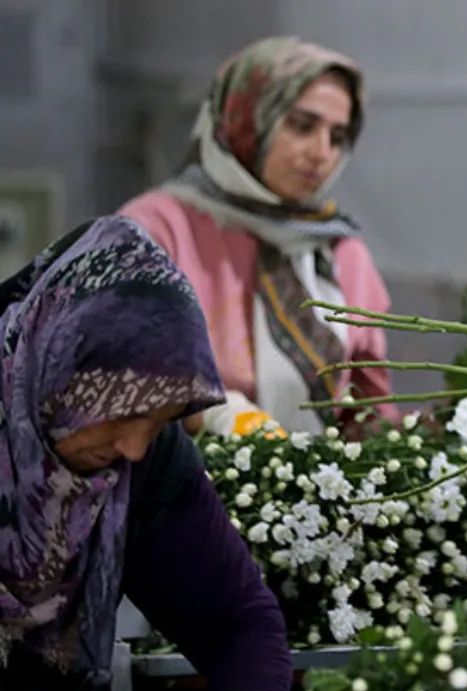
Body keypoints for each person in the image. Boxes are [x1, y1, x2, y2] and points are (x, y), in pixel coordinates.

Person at [0, 216, 292, 691]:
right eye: (127, 412)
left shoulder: (147, 462)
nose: (134, 448)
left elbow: (239, 625)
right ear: (60, 368)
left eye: (159, 423)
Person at [118, 36, 401, 439]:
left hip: (320, 494)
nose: (322, 153)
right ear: (245, 118)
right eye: (302, 126)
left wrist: (447, 427)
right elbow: (114, 379)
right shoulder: (153, 231)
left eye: (338, 137)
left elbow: (369, 419)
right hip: (178, 489)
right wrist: (219, 415)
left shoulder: (341, 254)